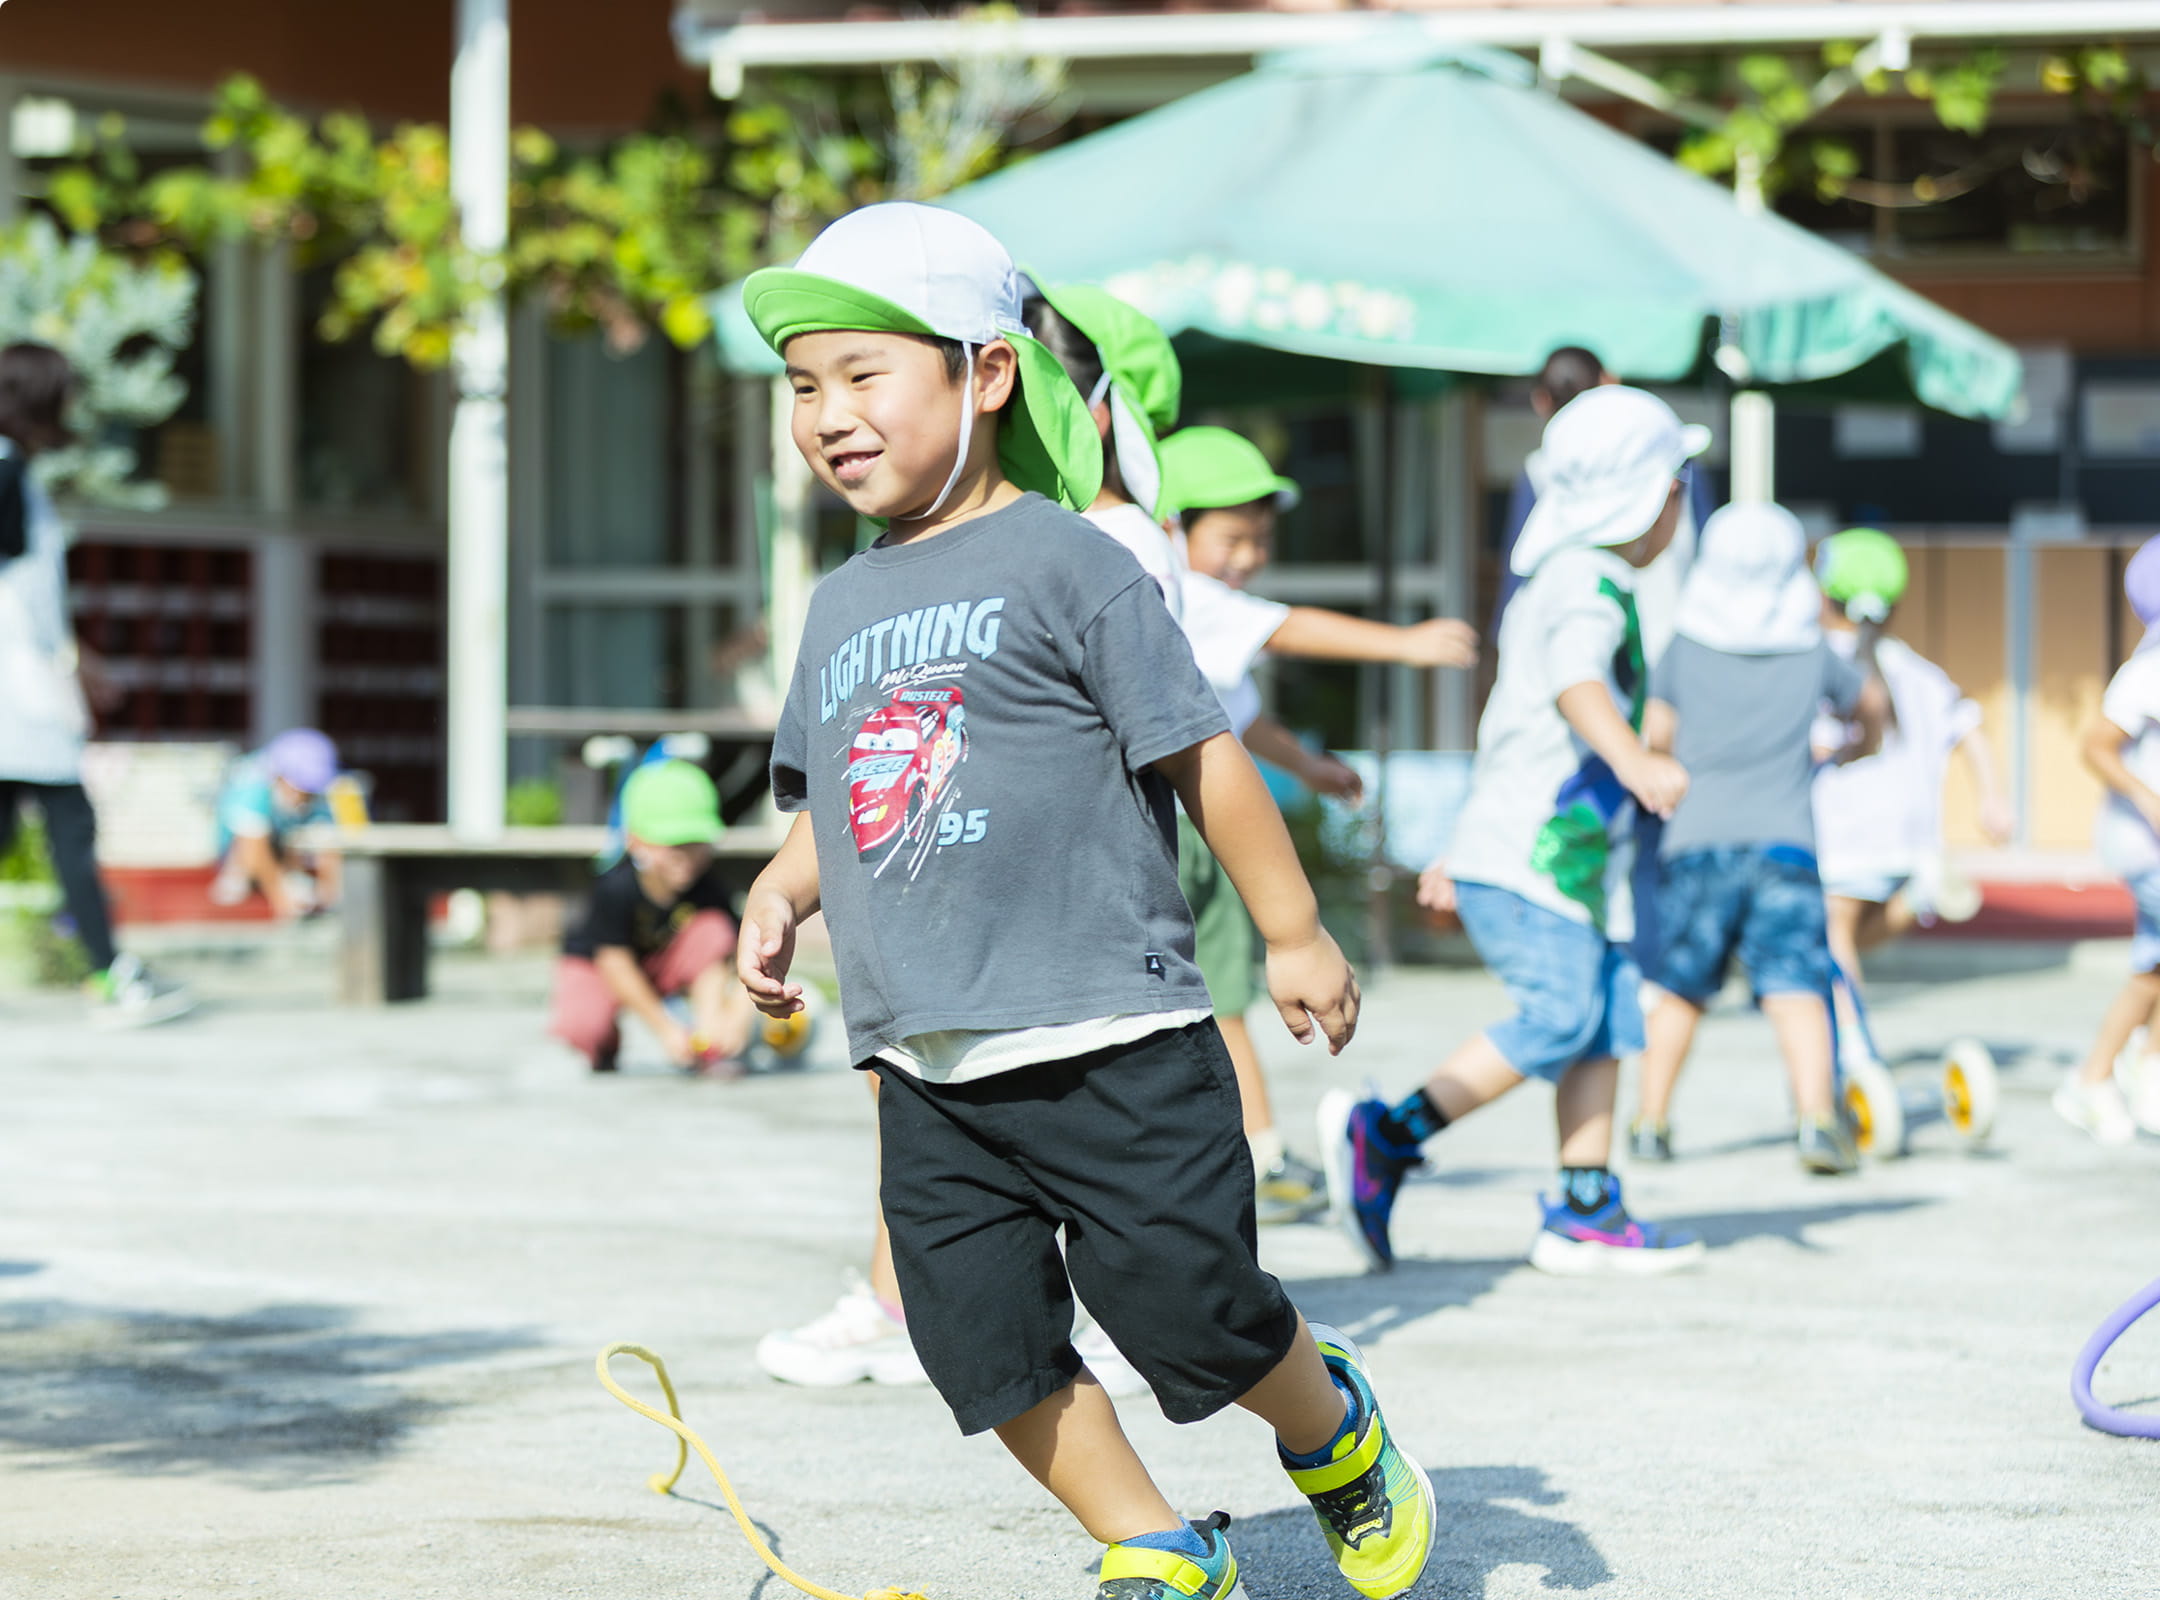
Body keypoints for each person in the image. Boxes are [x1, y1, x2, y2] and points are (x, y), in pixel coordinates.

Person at [736, 202, 1434, 1600]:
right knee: (977, 1342)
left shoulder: (1071, 562)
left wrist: (1292, 932)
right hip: (926, 1062)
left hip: (1110, 1031)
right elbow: (847, 804)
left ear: (986, 374)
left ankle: (1332, 1429)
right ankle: (1154, 1543)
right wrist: (777, 889)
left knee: (1195, 1310)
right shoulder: (839, 607)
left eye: (866, 375)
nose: (830, 415)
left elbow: (1206, 751)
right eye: (806, 387)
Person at [1320, 386, 1707, 1277]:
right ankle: (1388, 1136)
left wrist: (1466, 837)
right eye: (1677, 482)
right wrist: (1637, 758)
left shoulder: (1575, 580)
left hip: (1566, 862)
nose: (1683, 501)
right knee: (1565, 1015)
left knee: (1607, 1024)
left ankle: (1586, 1207)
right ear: (1643, 494)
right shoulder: (1587, 584)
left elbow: (1514, 725)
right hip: (1537, 861)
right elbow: (1576, 684)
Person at [1157, 424, 1478, 1222]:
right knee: (1220, 991)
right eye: (1232, 538)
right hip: (1197, 829)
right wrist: (1405, 646)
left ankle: (1240, 1149)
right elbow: (1287, 626)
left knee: (1207, 993)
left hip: (1178, 823)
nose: (1247, 558)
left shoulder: (1177, 608)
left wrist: (1310, 768)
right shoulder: (1186, 596)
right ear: (1173, 527)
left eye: (1261, 541)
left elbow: (1242, 717)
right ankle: (1260, 1154)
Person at [1625, 503, 1886, 1173]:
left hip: (1696, 842)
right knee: (1796, 985)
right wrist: (1856, 749)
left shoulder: (1684, 645)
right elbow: (1871, 706)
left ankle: (1651, 1124)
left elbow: (1656, 739)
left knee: (1683, 988)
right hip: (1786, 843)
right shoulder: (1809, 648)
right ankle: (1817, 1122)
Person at [0, 342, 193, 1028]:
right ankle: (110, 975)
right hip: (17, 700)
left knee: (55, 829)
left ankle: (109, 970)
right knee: (71, 829)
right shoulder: (2, 469)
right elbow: (20, 598)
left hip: (25, 691)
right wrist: (57, 668)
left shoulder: (14, 469)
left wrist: (76, 661)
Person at [1810, 528, 2015, 991]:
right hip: (1912, 832)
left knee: (1831, 936)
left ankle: (1853, 1049)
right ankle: (1921, 894)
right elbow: (1971, 729)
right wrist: (1993, 801)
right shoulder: (1919, 671)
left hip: (1842, 831)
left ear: (1824, 597)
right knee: (1856, 934)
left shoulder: (1818, 669)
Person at [551, 759, 754, 1074]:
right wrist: (666, 1029)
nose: (686, 858)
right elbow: (614, 964)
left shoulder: (709, 889)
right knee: (583, 1025)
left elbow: (743, 952)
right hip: (600, 967)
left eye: (696, 845)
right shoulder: (614, 889)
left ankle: (710, 1034)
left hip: (663, 964)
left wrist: (739, 1013)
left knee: (714, 929)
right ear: (635, 842)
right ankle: (605, 1045)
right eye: (673, 846)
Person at [2056, 536, 2160, 1143]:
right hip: (2144, 846)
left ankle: (2144, 1073)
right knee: (2152, 967)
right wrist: (2148, 799)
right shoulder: (2147, 670)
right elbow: (2096, 744)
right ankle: (2093, 1077)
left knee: (2157, 963)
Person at [209, 728, 346, 918]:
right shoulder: (251, 784)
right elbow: (252, 844)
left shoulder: (326, 787)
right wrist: (282, 898)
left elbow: (331, 844)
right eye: (301, 788)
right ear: (280, 777)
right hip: (239, 851)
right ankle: (239, 878)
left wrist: (331, 894)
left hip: (291, 847)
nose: (306, 796)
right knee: (247, 857)